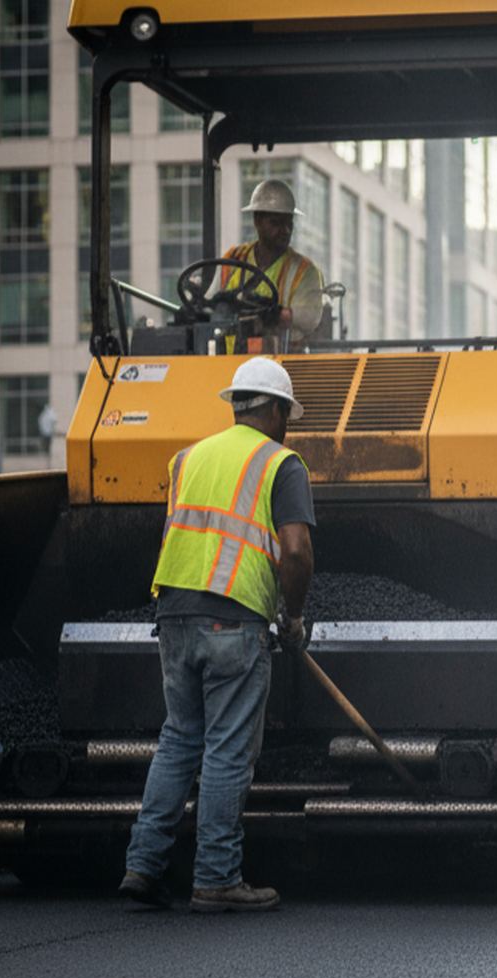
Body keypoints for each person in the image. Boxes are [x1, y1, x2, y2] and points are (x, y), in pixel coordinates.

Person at [121, 358, 316, 913]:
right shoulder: (282, 463)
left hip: (173, 613)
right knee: (228, 751)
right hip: (233, 620)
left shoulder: (188, 458)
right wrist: (293, 616)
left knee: (180, 739)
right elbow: (296, 551)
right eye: (288, 414)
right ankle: (216, 878)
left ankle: (142, 864)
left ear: (237, 403)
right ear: (276, 411)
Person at [219, 179, 326, 351]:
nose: (285, 230)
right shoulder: (233, 259)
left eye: (289, 223)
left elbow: (310, 318)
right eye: (276, 223)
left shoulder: (304, 271)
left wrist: (274, 315)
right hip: (226, 367)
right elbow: (207, 305)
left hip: (280, 367)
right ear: (257, 221)